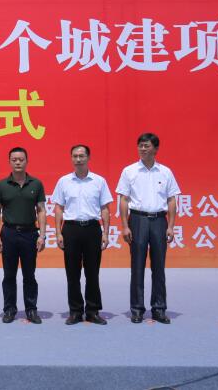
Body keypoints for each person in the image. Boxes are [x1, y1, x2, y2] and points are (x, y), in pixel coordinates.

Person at [117, 132, 180, 324]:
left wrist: (171, 226)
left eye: (146, 146)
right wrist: (125, 226)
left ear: (156, 149)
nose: (143, 149)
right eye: (140, 146)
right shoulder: (129, 171)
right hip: (138, 220)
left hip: (159, 220)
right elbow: (124, 199)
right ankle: (137, 309)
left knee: (159, 266)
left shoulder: (165, 172)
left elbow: (171, 200)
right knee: (137, 266)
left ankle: (159, 308)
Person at [52, 144, 112, 325]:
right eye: (75, 156)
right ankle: (75, 311)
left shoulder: (99, 181)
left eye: (82, 156)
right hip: (71, 229)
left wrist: (106, 233)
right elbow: (59, 208)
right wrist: (58, 232)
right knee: (72, 273)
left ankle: (93, 311)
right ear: (71, 158)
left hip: (92, 229)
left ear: (88, 158)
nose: (78, 159)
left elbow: (105, 208)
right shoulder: (64, 181)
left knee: (93, 272)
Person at [0, 147, 47, 324]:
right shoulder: (1, 185)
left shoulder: (36, 184)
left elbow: (41, 210)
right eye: (14, 159)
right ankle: (9, 309)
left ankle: (31, 310)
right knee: (9, 275)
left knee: (29, 275)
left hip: (30, 233)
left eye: (21, 159)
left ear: (27, 161)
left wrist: (42, 235)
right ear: (9, 162)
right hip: (9, 233)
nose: (17, 162)